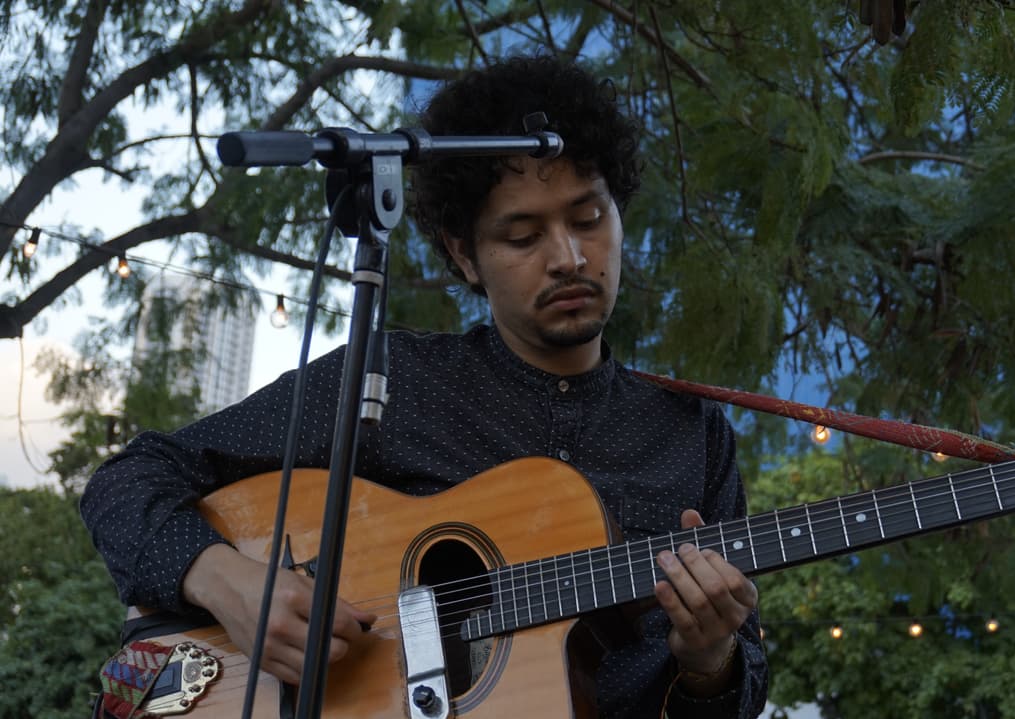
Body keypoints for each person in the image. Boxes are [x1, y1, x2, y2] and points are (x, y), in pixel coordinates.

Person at [81, 54, 768, 719]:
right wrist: (227, 580)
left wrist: (709, 659)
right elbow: (127, 480)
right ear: (464, 254)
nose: (569, 257)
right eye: (523, 236)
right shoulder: (394, 379)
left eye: (589, 218)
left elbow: (738, 688)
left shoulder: (691, 435)